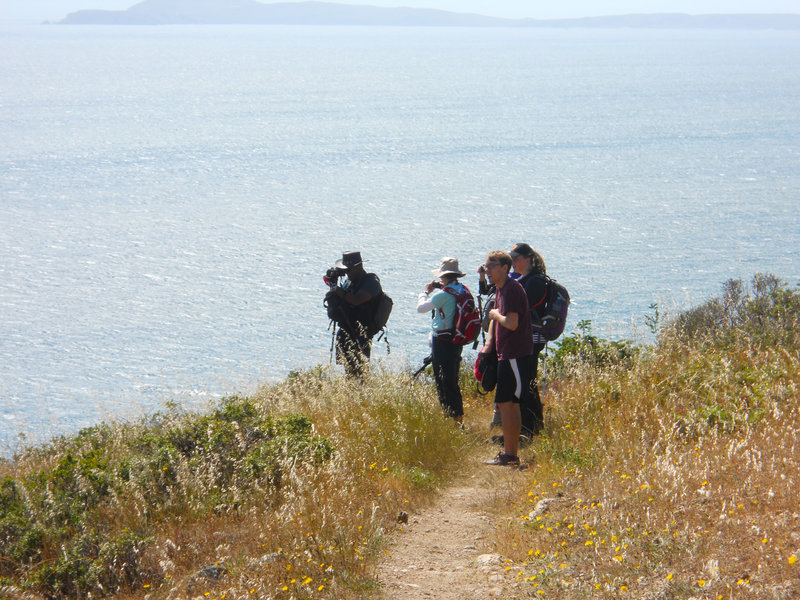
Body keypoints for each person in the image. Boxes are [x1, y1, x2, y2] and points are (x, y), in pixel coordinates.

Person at [479, 250, 534, 467]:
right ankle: (510, 453)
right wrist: (489, 343)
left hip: (515, 354)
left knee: (508, 403)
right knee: (508, 403)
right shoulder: (502, 289)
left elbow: (511, 323)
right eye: (486, 266)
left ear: (505, 267)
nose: (487, 270)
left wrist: (495, 316)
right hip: (507, 354)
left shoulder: (511, 290)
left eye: (491, 266)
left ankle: (510, 454)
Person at [416, 257, 467, 423]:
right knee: (452, 378)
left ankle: (453, 419)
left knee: (443, 381)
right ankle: (456, 417)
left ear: (443, 276)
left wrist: (424, 292)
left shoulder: (443, 294)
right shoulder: (462, 289)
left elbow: (421, 308)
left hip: (443, 340)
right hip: (456, 338)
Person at [510, 242, 548, 436]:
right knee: (525, 383)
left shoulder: (535, 282)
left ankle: (529, 428)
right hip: (526, 339)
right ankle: (530, 427)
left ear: (527, 259)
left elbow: (521, 308)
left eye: (515, 258)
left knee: (526, 385)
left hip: (530, 340)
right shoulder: (527, 279)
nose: (512, 262)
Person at [330, 251, 383, 378]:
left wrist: (336, 289)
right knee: (348, 368)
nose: (347, 273)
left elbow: (356, 299)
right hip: (345, 330)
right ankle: (352, 393)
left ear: (359, 267)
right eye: (345, 270)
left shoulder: (371, 282)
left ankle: (362, 392)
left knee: (360, 369)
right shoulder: (349, 282)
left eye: (349, 270)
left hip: (361, 333)